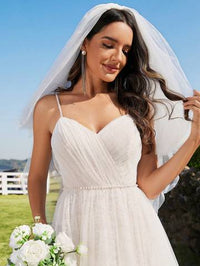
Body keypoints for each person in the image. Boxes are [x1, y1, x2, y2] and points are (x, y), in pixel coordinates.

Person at [20, 3, 200, 266]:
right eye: (108, 44)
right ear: (84, 43)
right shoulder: (49, 107)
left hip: (134, 230)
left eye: (126, 50)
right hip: (74, 225)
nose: (118, 57)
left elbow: (149, 186)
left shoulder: (138, 107)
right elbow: (37, 176)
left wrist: (195, 139)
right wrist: (41, 229)